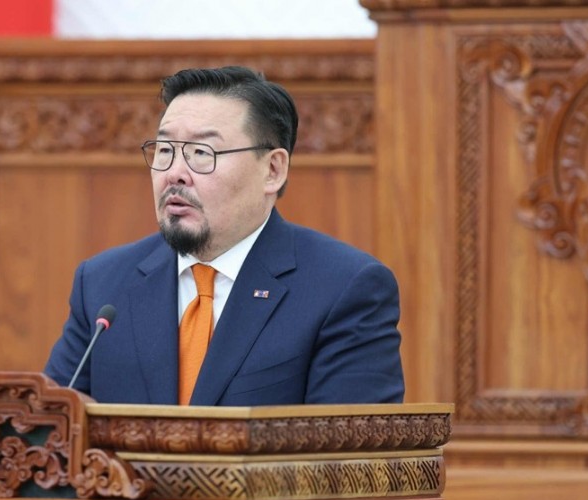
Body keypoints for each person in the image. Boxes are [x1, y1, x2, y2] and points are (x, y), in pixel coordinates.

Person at [44, 66, 404, 406]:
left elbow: (348, 446)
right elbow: (48, 429)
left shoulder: (343, 289)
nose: (174, 173)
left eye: (202, 153)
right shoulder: (103, 284)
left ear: (273, 170)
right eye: (165, 150)